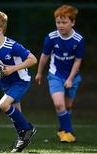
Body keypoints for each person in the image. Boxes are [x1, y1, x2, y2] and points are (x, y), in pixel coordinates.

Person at [0, 11, 37, 152]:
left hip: (20, 81)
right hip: (6, 84)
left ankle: (29, 129)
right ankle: (22, 140)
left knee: (3, 104)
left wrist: (13, 68)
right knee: (16, 117)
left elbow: (33, 59)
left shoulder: (12, 46)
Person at [35, 5, 85, 143]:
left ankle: (62, 130)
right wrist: (39, 72)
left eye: (64, 22)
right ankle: (68, 132)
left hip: (72, 77)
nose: (60, 25)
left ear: (72, 22)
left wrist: (70, 79)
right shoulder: (51, 38)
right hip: (55, 75)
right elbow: (44, 56)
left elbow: (77, 61)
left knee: (67, 106)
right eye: (58, 22)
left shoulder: (79, 39)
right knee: (58, 104)